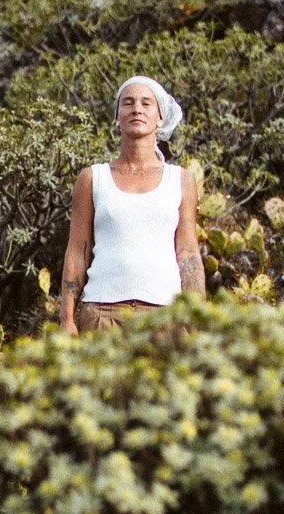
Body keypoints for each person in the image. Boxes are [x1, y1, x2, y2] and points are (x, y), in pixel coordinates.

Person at [59, 76, 205, 334]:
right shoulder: (92, 178)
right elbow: (77, 252)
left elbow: (188, 253)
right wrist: (67, 319)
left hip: (165, 316)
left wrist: (198, 316)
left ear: (160, 117)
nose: (136, 109)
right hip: (102, 314)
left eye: (146, 103)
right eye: (128, 103)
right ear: (117, 117)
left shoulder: (181, 180)